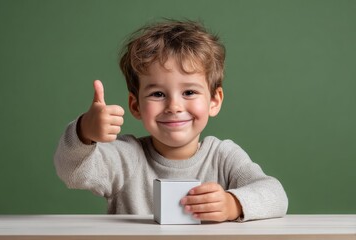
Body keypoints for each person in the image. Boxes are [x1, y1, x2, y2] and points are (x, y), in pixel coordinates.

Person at [54, 19, 288, 222]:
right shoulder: (126, 157)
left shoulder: (223, 156)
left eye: (189, 92)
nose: (174, 107)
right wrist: (84, 130)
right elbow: (71, 171)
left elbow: (275, 195)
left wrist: (232, 204)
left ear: (214, 101)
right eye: (158, 94)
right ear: (136, 106)